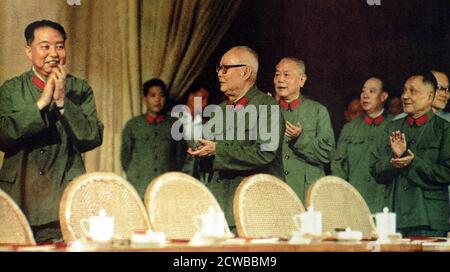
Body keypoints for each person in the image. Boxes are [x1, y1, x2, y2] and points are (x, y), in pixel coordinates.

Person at [0, 20, 104, 243]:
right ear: (29, 51)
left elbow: (91, 137)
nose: (54, 53)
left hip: (62, 196)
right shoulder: (10, 89)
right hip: (19, 197)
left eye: (59, 46)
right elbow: (3, 136)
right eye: (45, 46)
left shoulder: (80, 89)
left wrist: (62, 101)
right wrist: (41, 103)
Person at [187, 46, 285, 228]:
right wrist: (201, 151)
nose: (219, 74)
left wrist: (217, 150)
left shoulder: (267, 105)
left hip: (255, 209)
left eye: (225, 68)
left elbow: (264, 153)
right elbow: (212, 159)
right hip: (221, 208)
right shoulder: (221, 109)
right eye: (219, 69)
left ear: (245, 72)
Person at [370, 71, 450, 237]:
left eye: (412, 91)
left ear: (430, 96)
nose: (405, 96)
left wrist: (413, 162)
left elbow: (446, 173)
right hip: (395, 217)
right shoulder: (392, 127)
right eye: (404, 90)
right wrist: (393, 162)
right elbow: (375, 169)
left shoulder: (444, 129)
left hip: (430, 218)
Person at [274, 57, 335, 201]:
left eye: (286, 75)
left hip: (306, 194)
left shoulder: (318, 111)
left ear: (302, 80)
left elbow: (326, 154)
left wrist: (300, 138)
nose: (280, 79)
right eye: (277, 74)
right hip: (275, 191)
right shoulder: (268, 110)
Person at [332, 76, 392, 213]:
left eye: (371, 91)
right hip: (355, 201)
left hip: (384, 201)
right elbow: (338, 164)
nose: (365, 96)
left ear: (383, 96)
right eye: (363, 91)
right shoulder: (350, 128)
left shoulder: (394, 125)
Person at [121, 78, 181, 198]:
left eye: (161, 96)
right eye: (152, 95)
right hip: (140, 187)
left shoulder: (175, 125)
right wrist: (136, 177)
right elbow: (125, 157)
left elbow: (181, 156)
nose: (157, 99)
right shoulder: (133, 125)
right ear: (144, 99)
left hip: (166, 188)